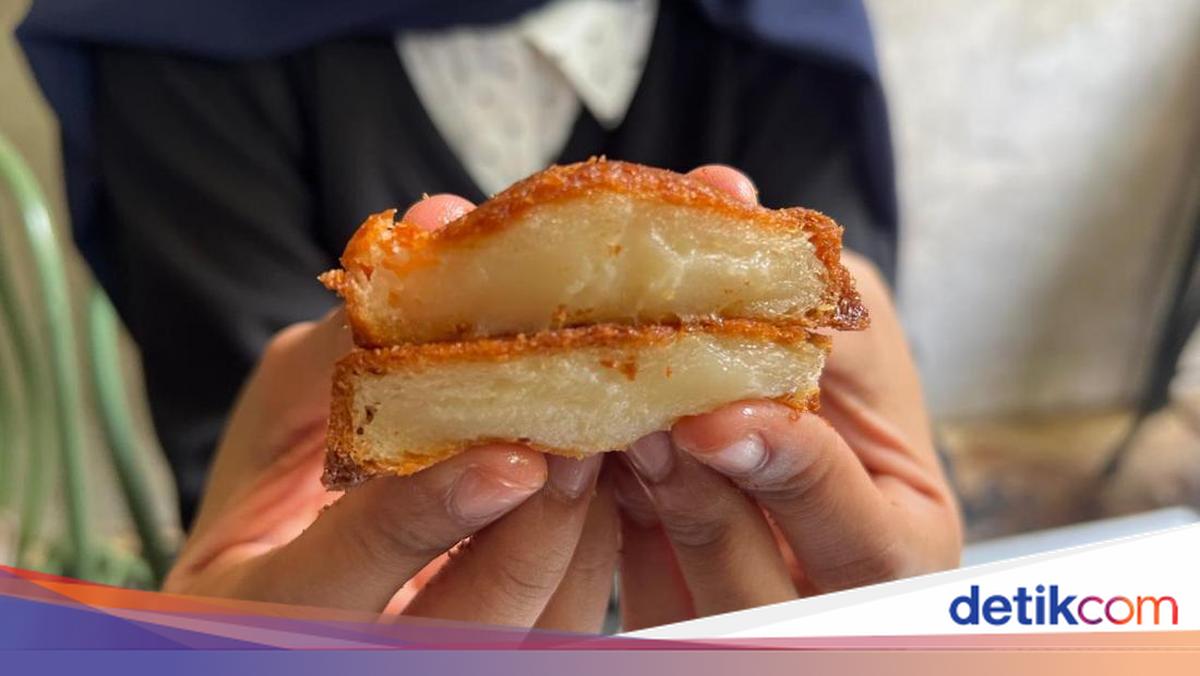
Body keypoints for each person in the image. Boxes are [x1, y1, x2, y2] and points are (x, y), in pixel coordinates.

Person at [19, 0, 960, 627]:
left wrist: (914, 597)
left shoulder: (788, 30)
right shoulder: (166, 33)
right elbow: (256, 480)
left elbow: (841, 402)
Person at [164, 166, 960, 630]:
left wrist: (912, 551)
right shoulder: (171, 39)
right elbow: (218, 386)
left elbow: (840, 289)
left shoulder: (785, 30)